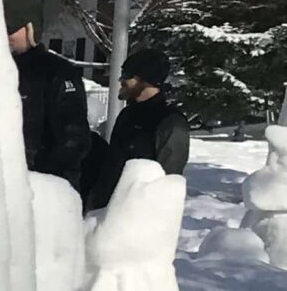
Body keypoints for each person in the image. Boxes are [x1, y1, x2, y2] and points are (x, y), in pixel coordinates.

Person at [85, 47, 191, 212]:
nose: (121, 80)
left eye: (127, 75)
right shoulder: (127, 115)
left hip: (139, 216)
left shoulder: (171, 122)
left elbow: (168, 180)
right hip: (106, 212)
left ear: (144, 80)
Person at [10, 16, 91, 188]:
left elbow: (73, 134)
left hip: (42, 183)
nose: (6, 35)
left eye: (12, 29)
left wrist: (51, 181)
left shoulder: (57, 71)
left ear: (31, 30)